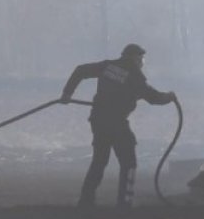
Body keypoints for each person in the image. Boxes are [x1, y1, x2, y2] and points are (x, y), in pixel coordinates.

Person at [61, 43, 176, 207]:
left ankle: (86, 200)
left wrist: (67, 93)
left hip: (99, 119)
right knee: (129, 163)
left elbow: (80, 70)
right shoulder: (135, 75)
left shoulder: (108, 66)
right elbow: (153, 97)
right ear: (135, 58)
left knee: (99, 161)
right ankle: (125, 202)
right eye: (142, 58)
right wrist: (169, 97)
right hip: (116, 122)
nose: (142, 62)